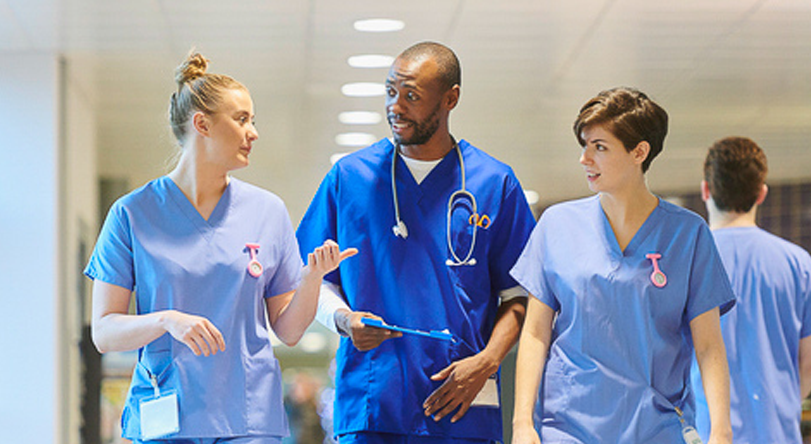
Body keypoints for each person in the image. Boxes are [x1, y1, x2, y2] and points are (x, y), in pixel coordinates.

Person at [85, 52, 357, 443]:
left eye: (253, 120)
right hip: (168, 413)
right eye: (242, 119)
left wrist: (313, 279)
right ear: (202, 124)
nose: (254, 132)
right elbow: (105, 332)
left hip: (248, 418)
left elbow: (290, 330)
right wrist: (166, 320)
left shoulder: (267, 211)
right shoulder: (132, 214)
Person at [297, 41, 536, 444]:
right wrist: (343, 320)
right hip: (373, 403)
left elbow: (521, 297)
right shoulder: (350, 178)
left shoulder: (494, 183)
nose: (396, 106)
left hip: (462, 407)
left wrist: (487, 362)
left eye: (411, 96)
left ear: (450, 98)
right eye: (390, 91)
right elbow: (313, 280)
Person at [509, 87, 736, 443]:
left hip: (656, 428)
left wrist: (721, 431)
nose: (585, 159)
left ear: (639, 152)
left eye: (599, 147)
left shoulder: (688, 234)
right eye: (584, 145)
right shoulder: (556, 226)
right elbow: (536, 333)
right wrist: (522, 424)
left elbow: (708, 345)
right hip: (569, 428)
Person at [689, 136, 811, 442]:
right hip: (776, 433)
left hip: (703, 433)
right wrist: (781, 409)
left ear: (706, 189)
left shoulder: (687, 262)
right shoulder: (798, 263)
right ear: (761, 193)